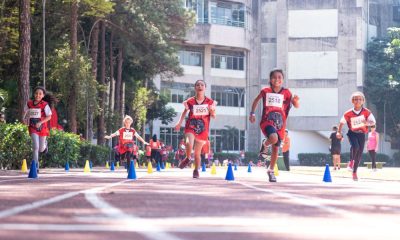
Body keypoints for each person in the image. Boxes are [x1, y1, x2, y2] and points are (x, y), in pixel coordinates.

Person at [249, 69, 299, 182]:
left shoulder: (287, 92)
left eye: (279, 77)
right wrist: (252, 113)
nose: (277, 79)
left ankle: (271, 171)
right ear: (270, 80)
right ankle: (265, 144)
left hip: (280, 124)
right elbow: (256, 101)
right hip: (267, 121)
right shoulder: (265, 91)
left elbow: (296, 105)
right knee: (273, 138)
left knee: (276, 149)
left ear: (282, 79)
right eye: (274, 77)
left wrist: (295, 101)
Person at [174, 79, 216, 178]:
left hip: (203, 129)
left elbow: (214, 116)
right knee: (188, 142)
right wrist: (179, 122)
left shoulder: (210, 102)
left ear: (205, 88)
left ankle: (196, 170)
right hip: (191, 126)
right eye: (198, 85)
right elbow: (185, 112)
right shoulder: (190, 101)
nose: (200, 86)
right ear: (195, 88)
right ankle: (188, 158)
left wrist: (211, 111)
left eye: (202, 85)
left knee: (197, 153)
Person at [337, 91, 376, 181]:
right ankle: (351, 162)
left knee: (359, 154)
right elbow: (341, 123)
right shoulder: (348, 113)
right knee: (355, 146)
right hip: (352, 133)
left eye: (359, 99)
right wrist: (339, 132)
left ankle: (354, 172)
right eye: (355, 99)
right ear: (352, 101)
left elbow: (373, 122)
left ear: (363, 101)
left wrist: (367, 123)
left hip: (362, 134)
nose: (357, 101)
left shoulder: (367, 112)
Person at [23, 86, 53, 173]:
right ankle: (36, 166)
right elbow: (26, 113)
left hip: (42, 128)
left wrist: (40, 122)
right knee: (35, 147)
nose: (38, 95)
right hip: (32, 127)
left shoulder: (45, 105)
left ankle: (45, 146)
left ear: (43, 95)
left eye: (40, 94)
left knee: (40, 149)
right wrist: (25, 119)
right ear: (34, 94)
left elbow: (49, 116)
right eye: (36, 93)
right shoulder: (29, 103)